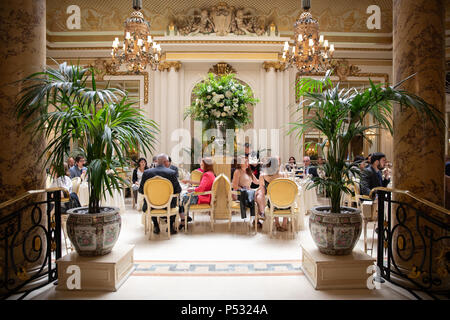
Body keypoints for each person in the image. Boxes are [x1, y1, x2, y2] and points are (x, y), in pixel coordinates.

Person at [139, 154, 181, 235]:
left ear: (157, 162)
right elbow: (178, 190)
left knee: (150, 202)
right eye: (168, 161)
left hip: (151, 205)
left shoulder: (147, 173)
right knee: (175, 200)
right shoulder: (172, 173)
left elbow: (141, 190)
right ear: (165, 162)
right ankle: (170, 226)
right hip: (168, 205)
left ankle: (155, 225)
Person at [179, 157, 216, 230]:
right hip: (206, 196)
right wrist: (189, 182)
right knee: (183, 196)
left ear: (206, 165)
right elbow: (202, 183)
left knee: (180, 199)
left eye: (202, 164)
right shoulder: (211, 174)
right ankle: (185, 217)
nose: (201, 165)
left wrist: (192, 190)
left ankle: (183, 219)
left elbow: (201, 188)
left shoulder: (207, 174)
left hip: (203, 198)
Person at [255, 157, 288, 231]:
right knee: (287, 198)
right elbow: (287, 189)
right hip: (286, 203)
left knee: (272, 199)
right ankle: (284, 223)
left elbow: (262, 191)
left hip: (273, 203)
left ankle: (276, 223)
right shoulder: (283, 175)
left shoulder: (262, 176)